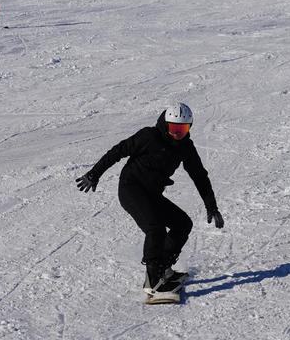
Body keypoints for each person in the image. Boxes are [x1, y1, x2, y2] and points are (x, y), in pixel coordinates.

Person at [76, 103, 224, 301]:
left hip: (152, 193)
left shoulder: (185, 147)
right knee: (155, 228)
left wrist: (211, 206)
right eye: (174, 129)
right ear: (165, 124)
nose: (177, 134)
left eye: (183, 130)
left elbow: (200, 176)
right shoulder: (149, 136)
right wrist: (95, 173)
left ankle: (164, 268)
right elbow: (118, 151)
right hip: (131, 189)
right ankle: (154, 282)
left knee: (183, 224)